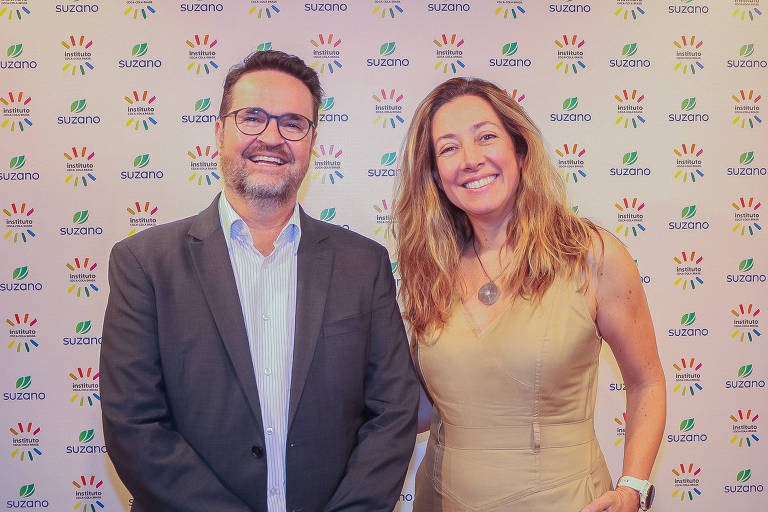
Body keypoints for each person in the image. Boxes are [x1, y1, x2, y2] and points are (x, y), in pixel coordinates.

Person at [100, 50, 419, 512]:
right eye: (252, 118)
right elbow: (134, 425)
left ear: (312, 141)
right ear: (218, 131)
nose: (272, 137)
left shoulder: (364, 264)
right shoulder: (144, 263)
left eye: (293, 123)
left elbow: (392, 413)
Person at [393, 77, 666, 512]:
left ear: (519, 150)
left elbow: (646, 381)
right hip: (443, 500)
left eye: (486, 137)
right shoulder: (430, 268)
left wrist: (632, 487)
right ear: (435, 176)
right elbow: (425, 405)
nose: (471, 159)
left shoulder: (591, 254)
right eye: (448, 148)